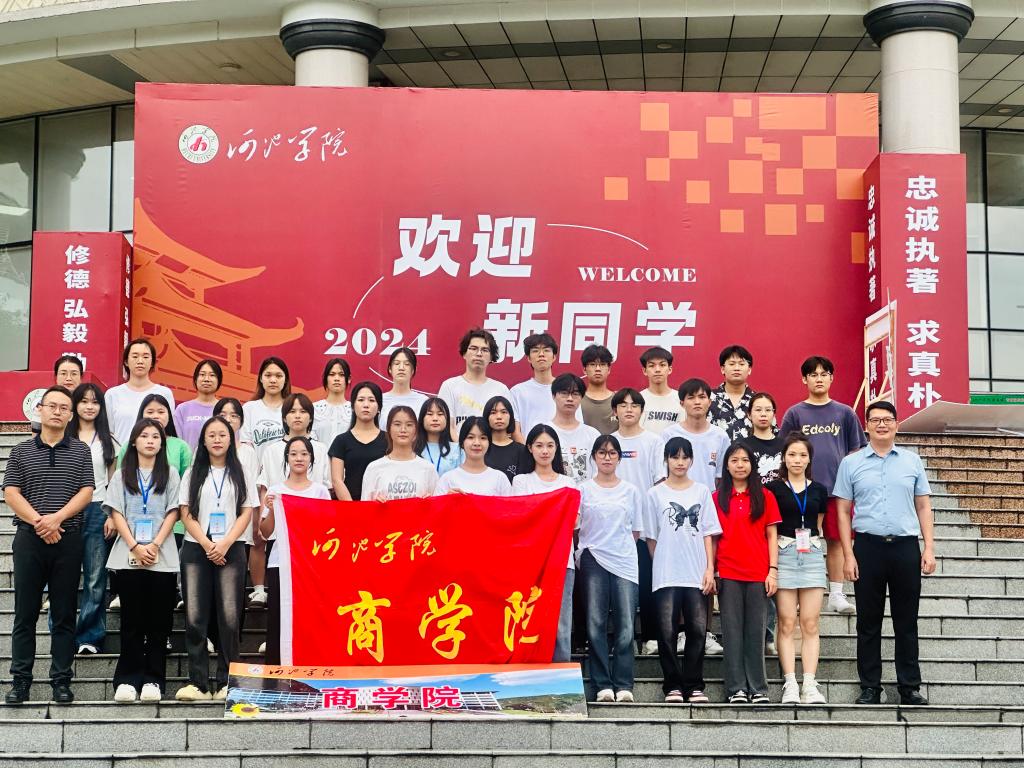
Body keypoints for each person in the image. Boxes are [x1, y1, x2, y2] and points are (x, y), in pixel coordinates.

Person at [834, 401, 936, 706]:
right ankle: (870, 687)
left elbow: (923, 505)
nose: (882, 424)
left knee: (907, 621)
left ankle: (909, 687)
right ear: (866, 426)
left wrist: (929, 547)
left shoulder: (912, 461)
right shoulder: (851, 463)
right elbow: (842, 511)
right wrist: (848, 554)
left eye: (887, 419)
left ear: (897, 424)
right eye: (875, 420)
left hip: (905, 547)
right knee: (868, 622)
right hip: (868, 547)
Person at [5, 386, 94, 705]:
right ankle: (20, 681)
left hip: (67, 539)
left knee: (64, 613)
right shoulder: (20, 451)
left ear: (70, 415)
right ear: (39, 410)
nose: (57, 411)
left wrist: (56, 519)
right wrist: (40, 523)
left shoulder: (81, 451)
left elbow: (86, 491)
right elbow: (11, 493)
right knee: (25, 614)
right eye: (52, 406)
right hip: (29, 540)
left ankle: (61, 680)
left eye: (63, 408)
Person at [176, 416, 256, 701]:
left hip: (231, 547)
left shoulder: (241, 471)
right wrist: (208, 543)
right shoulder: (193, 473)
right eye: (211, 435)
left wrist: (225, 543)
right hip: (197, 546)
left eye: (223, 434)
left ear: (231, 439)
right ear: (203, 440)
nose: (217, 439)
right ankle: (198, 683)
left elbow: (247, 510)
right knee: (195, 616)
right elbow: (185, 512)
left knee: (230, 617)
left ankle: (228, 681)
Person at [780, 356, 867, 615]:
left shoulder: (845, 413)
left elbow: (857, 451)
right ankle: (801, 589)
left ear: (831, 378)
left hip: (837, 491)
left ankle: (836, 594)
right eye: (813, 374)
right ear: (804, 379)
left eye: (824, 374)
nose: (819, 379)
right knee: (803, 539)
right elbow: (784, 449)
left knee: (836, 541)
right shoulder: (795, 413)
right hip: (802, 491)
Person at [104, 418, 181, 702]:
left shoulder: (171, 474)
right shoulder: (121, 475)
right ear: (134, 441)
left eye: (155, 437)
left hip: (162, 554)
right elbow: (116, 511)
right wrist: (135, 545)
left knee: (160, 622)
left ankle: (154, 680)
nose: (150, 441)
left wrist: (155, 544)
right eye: (144, 436)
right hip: (128, 554)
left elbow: (174, 511)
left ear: (162, 443)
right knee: (132, 620)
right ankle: (127, 678)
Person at [644, 437, 720, 704]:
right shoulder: (655, 494)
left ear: (691, 460)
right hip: (666, 573)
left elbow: (709, 533)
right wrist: (662, 561)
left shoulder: (701, 491)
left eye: (684, 457)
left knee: (697, 630)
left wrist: (709, 569)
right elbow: (651, 537)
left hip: (696, 572)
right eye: (674, 457)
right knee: (666, 632)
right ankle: (673, 686)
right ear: (666, 459)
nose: (679, 462)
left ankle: (694, 685)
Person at [662, 378, 731, 656]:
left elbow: (721, 479)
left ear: (710, 401)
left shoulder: (720, 436)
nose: (697, 402)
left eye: (702, 397)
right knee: (680, 572)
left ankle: (706, 631)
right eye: (691, 397)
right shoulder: (669, 434)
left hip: (707, 511)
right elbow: (662, 474)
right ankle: (681, 631)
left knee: (706, 572)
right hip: (677, 515)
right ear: (681, 402)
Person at [714, 442, 781, 704]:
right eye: (734, 460)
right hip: (728, 572)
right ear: (726, 465)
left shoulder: (765, 496)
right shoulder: (717, 498)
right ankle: (736, 689)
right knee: (731, 632)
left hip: (758, 573)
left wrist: (772, 571)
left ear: (752, 465)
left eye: (744, 460)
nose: (740, 465)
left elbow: (772, 535)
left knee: (756, 632)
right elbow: (713, 538)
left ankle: (758, 688)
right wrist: (713, 570)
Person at [251, 393, 330, 607]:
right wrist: (268, 511)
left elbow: (327, 496)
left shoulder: (321, 449)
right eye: (292, 411)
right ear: (284, 417)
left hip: (312, 543)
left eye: (303, 411)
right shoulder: (272, 451)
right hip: (281, 537)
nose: (297, 416)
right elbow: (265, 489)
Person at [578, 434, 641, 703]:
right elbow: (576, 526)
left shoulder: (631, 490)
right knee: (596, 623)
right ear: (594, 457)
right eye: (602, 452)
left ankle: (624, 683)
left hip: (624, 559)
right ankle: (602, 683)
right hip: (593, 557)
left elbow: (636, 531)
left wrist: (618, 547)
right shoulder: (583, 489)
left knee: (626, 623)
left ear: (619, 458)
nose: (607, 457)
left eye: (612, 453)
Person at [766, 433, 829, 705]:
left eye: (803, 455)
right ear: (783, 457)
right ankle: (790, 682)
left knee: (810, 623)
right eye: (792, 454)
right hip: (784, 552)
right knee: (787, 622)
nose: (797, 460)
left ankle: (810, 684)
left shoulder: (819, 490)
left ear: (809, 459)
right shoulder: (773, 489)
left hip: (811, 554)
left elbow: (818, 522)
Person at [259, 436, 331, 664]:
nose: (299, 458)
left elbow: (328, 529)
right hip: (280, 562)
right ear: (287, 458)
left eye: (304, 454)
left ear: (311, 459)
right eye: (293, 454)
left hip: (310, 565)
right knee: (278, 617)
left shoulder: (320, 491)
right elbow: (265, 532)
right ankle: (275, 671)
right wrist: (271, 510)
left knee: (309, 617)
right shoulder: (275, 491)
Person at [512, 425, 578, 663]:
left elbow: (574, 522)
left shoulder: (568, 483)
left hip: (562, 562)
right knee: (529, 621)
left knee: (561, 624)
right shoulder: (521, 481)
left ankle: (561, 674)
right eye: (539, 445)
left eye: (550, 445)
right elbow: (520, 518)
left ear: (556, 449)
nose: (545, 451)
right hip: (530, 563)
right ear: (530, 448)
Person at [610, 388, 664, 657]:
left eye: (634, 405)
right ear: (615, 411)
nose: (629, 409)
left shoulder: (653, 441)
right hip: (614, 527)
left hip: (645, 525)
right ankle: (624, 637)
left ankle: (651, 636)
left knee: (647, 582)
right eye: (623, 405)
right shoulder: (608, 442)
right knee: (620, 586)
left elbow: (659, 482)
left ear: (642, 410)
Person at [66, 383, 118, 655]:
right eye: (84, 401)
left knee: (95, 577)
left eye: (95, 402)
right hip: (65, 511)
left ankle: (90, 636)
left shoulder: (108, 440)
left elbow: (115, 482)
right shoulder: (64, 436)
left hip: (98, 510)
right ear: (75, 405)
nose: (89, 406)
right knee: (63, 575)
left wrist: (112, 514)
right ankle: (62, 635)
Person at [438, 328, 511, 438]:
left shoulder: (501, 389)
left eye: (485, 350)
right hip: (457, 447)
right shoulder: (449, 386)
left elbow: (506, 429)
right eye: (473, 348)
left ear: (491, 357)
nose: (479, 354)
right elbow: (448, 426)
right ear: (464, 353)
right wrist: (461, 446)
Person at [105, 338, 176, 443]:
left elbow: (168, 429)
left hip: (156, 452)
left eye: (145, 357)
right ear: (126, 362)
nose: (140, 361)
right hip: (121, 452)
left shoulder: (164, 393)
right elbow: (108, 432)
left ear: (152, 362)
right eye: (135, 356)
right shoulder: (113, 394)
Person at [361, 406, 439, 500]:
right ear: (389, 429)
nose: (403, 430)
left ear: (416, 431)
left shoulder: (428, 468)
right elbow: (365, 506)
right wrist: (375, 505)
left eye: (409, 425)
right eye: (397, 424)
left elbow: (439, 505)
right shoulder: (374, 468)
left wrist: (430, 502)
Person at [329, 382, 388, 501]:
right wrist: (352, 508)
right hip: (349, 506)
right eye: (361, 400)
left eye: (371, 400)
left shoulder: (389, 440)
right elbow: (337, 480)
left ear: (379, 408)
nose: (366, 405)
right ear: (352, 406)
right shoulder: (341, 440)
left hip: (380, 504)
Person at [435, 417, 512, 496]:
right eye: (470, 437)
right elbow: (435, 504)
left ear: (489, 443)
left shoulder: (500, 479)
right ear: (462, 442)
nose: (477, 443)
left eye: (483, 438)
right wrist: (446, 500)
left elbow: (510, 504)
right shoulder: (447, 479)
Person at [549, 373, 600, 487]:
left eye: (575, 394)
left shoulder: (592, 434)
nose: (570, 399)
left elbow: (599, 471)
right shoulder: (544, 432)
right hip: (555, 495)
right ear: (553, 396)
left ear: (581, 398)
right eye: (564, 393)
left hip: (585, 496)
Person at [509, 332, 563, 438]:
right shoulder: (517, 392)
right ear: (529, 358)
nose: (541, 354)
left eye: (546, 350)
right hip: (527, 447)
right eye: (535, 350)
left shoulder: (565, 389)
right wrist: (528, 447)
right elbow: (515, 431)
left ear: (554, 357)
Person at [709, 345, 762, 442]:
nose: (737, 368)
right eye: (732, 364)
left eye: (741, 364)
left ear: (749, 369)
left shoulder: (759, 401)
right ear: (722, 369)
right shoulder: (708, 398)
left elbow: (771, 434)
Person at [242, 357, 291, 458]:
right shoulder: (249, 409)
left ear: (285, 379)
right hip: (256, 467)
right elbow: (245, 446)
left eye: (278, 376)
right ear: (261, 378)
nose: (273, 380)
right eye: (268, 375)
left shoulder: (292, 408)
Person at [173, 359, 223, 451]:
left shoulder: (224, 409)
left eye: (212, 375)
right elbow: (176, 443)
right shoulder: (182, 409)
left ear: (219, 380)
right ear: (195, 379)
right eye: (202, 375)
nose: (206, 379)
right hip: (188, 460)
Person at [31, 355, 85, 433]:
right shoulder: (44, 401)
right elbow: (35, 432)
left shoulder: (89, 402)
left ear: (81, 377)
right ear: (55, 377)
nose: (68, 378)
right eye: (63, 374)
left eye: (74, 374)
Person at [483, 396, 528, 483]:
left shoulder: (521, 450)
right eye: (493, 412)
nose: (499, 417)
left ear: (511, 416)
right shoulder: (480, 447)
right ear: (486, 417)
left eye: (504, 412)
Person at [743, 393, 785, 485]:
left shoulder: (786, 445)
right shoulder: (741, 446)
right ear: (749, 414)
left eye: (768, 410)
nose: (763, 414)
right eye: (758, 410)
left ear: (774, 414)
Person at [638, 347, 681, 435]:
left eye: (662, 365)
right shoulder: (637, 400)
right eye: (652, 366)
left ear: (670, 369)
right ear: (644, 371)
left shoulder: (681, 399)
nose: (657, 370)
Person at [415, 397, 463, 477]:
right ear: (422, 419)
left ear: (447, 419)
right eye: (430, 414)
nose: (435, 419)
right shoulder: (413, 449)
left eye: (440, 414)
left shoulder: (458, 450)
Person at [380, 347, 428, 426]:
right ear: (390, 369)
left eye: (407, 364)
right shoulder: (379, 400)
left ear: (413, 370)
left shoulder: (423, 401)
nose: (401, 368)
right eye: (397, 363)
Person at [312, 357, 353, 448]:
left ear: (349, 378)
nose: (336, 378)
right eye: (332, 374)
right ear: (326, 378)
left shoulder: (354, 410)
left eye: (341, 375)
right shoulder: (314, 409)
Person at [580, 344, 617, 435]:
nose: (597, 369)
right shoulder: (576, 400)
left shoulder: (618, 400)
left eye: (602, 364)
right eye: (592, 364)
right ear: (584, 369)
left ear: (609, 369)